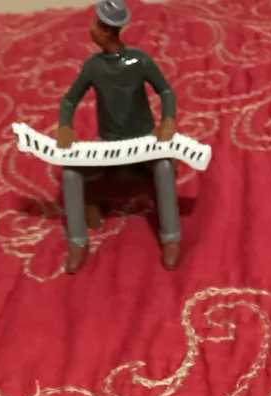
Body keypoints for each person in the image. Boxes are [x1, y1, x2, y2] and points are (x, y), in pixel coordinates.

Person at [57, 0, 181, 274]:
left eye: (95, 23)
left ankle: (171, 238)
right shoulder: (93, 66)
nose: (91, 28)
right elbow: (69, 100)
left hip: (144, 142)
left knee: (163, 167)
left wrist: (168, 120)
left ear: (105, 30)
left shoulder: (139, 61)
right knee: (70, 173)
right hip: (110, 145)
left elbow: (166, 91)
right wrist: (65, 126)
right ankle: (77, 243)